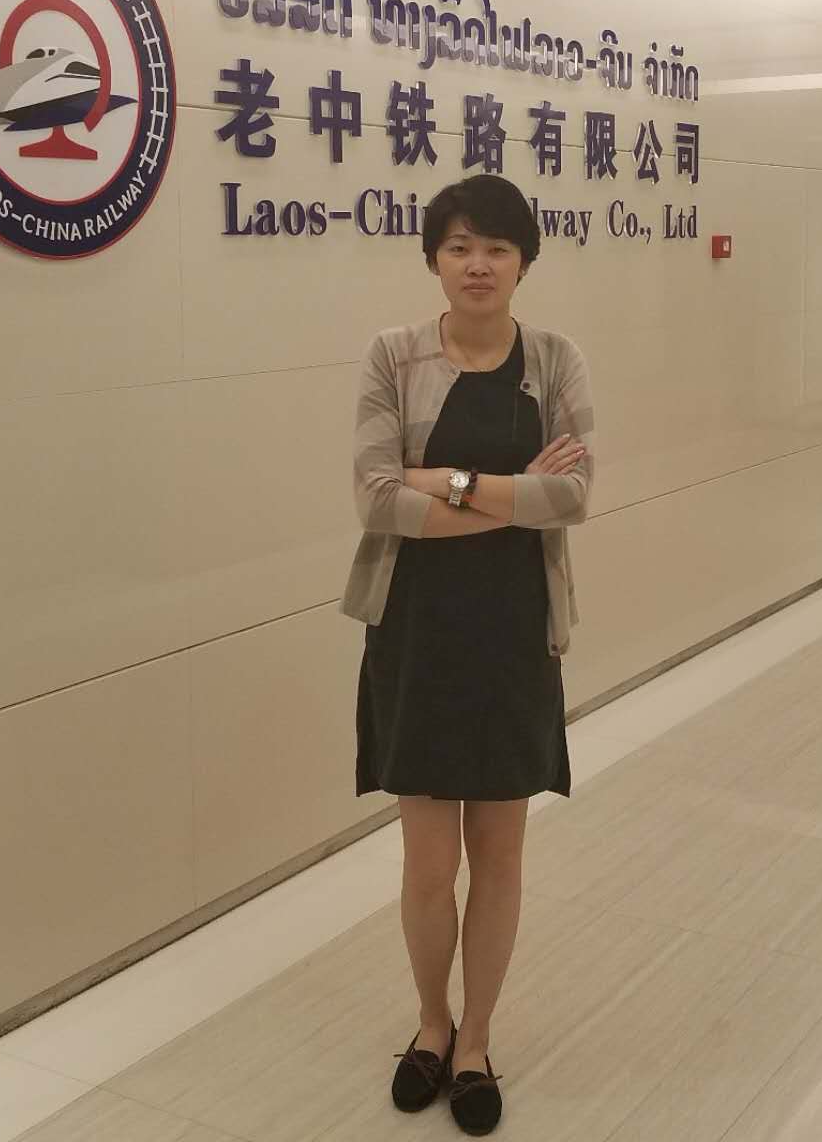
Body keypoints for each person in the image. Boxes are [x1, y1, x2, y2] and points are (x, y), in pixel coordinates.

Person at [339, 173, 596, 1135]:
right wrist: (508, 494)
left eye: (495, 247)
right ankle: (431, 1025)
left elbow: (574, 496)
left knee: (499, 855)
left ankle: (479, 1037)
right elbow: (375, 502)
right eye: (457, 247)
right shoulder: (393, 356)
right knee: (425, 862)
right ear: (434, 260)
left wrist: (439, 482)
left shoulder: (557, 360)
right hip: (415, 634)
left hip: (516, 634)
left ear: (524, 261)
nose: (477, 264)